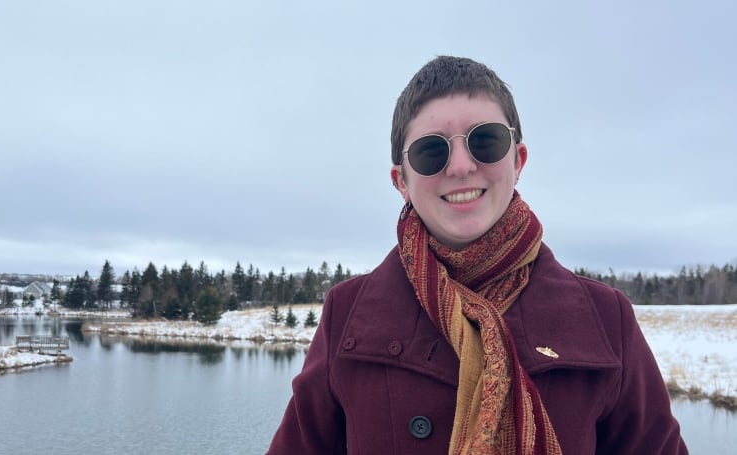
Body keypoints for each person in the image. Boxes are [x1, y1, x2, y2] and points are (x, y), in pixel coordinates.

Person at [267, 56, 688, 454]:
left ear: (518, 159)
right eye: (432, 152)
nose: (461, 166)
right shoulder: (348, 312)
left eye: (485, 141)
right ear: (401, 181)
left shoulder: (605, 318)